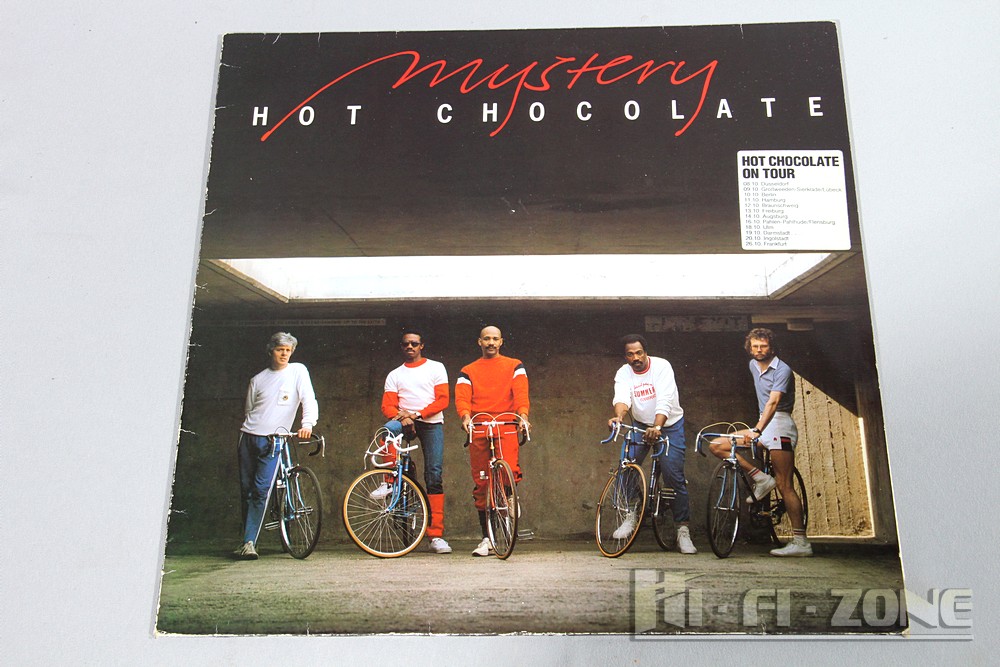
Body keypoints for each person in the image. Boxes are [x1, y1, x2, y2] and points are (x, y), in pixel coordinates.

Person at [708, 327, 812, 557]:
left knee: (785, 485)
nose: (758, 350)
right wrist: (758, 429)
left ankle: (801, 543)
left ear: (772, 347)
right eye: (755, 346)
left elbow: (773, 403)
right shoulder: (752, 365)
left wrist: (757, 429)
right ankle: (760, 478)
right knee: (717, 445)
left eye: (763, 346)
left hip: (780, 424)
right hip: (763, 424)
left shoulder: (782, 369)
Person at [608, 334, 697, 554]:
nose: (635, 358)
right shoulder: (624, 372)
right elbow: (622, 398)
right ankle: (631, 513)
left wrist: (657, 427)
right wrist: (618, 417)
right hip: (641, 424)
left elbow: (665, 400)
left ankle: (682, 529)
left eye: (639, 353)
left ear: (646, 352)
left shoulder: (661, 366)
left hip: (669, 425)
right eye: (630, 354)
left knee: (673, 474)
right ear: (625, 356)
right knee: (626, 465)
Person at [235, 332, 318, 560]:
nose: (284, 354)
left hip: (274, 439)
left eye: (288, 350)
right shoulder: (258, 379)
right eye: (280, 349)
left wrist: (307, 424)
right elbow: (249, 410)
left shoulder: (298, 371)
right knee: (247, 490)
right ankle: (246, 538)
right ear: (271, 350)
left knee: (261, 489)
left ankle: (249, 543)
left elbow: (308, 399)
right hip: (249, 437)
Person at [455, 325, 531, 557]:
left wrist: (523, 416)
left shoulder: (514, 365)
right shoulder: (468, 370)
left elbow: (521, 393)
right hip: (479, 426)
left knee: (509, 470)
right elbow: (462, 398)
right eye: (486, 339)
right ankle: (486, 538)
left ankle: (509, 495)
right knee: (482, 483)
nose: (490, 342)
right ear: (479, 342)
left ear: (501, 342)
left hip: (505, 424)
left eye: (495, 339)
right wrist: (465, 417)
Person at [375, 330, 452, 554]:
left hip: (430, 422)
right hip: (404, 421)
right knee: (387, 430)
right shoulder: (395, 374)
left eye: (414, 343)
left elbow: (443, 400)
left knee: (434, 475)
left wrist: (417, 415)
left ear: (421, 346)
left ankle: (436, 536)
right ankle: (390, 482)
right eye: (406, 344)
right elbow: (388, 405)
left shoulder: (436, 368)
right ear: (402, 347)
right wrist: (402, 417)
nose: (410, 347)